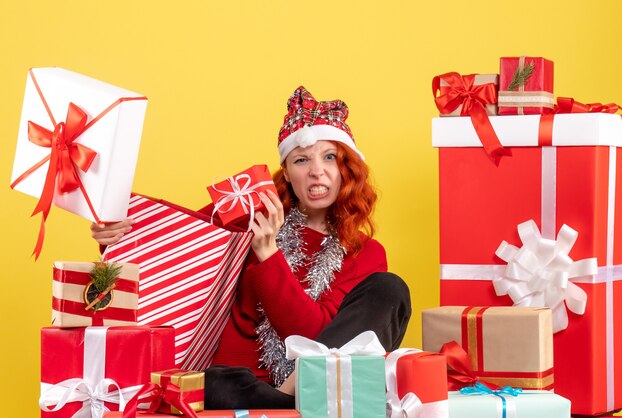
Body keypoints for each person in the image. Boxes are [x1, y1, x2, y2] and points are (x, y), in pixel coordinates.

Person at [90, 86, 411, 409]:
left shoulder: (365, 252)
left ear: (347, 169)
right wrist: (118, 229)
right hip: (240, 383)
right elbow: (172, 236)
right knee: (211, 382)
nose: (316, 170)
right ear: (286, 172)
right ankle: (295, 405)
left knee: (390, 289)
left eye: (330, 157)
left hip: (311, 377)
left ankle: (289, 396)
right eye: (302, 160)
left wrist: (268, 254)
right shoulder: (249, 212)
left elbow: (313, 336)